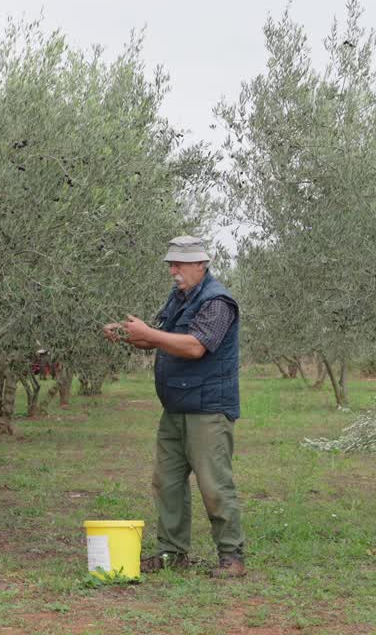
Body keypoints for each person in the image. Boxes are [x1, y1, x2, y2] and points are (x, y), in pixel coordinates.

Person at [102, 235, 246, 578]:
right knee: (166, 482)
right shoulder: (179, 298)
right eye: (171, 264)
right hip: (176, 407)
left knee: (214, 484)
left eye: (179, 264)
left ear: (201, 264)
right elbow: (159, 340)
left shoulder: (217, 302)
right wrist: (126, 333)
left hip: (208, 409)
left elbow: (196, 347)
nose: (173, 271)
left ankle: (232, 557)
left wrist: (149, 333)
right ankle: (172, 553)